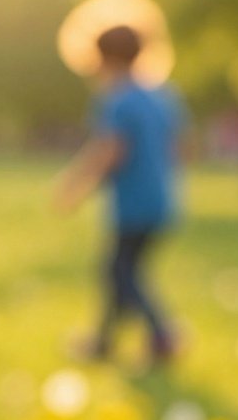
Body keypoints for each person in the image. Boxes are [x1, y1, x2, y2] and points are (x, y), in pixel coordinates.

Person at [55, 22, 183, 367]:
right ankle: (103, 342)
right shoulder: (162, 96)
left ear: (103, 58)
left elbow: (110, 151)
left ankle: (163, 334)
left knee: (121, 273)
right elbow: (179, 146)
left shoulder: (117, 100)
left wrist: (74, 186)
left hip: (134, 204)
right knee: (120, 270)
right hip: (162, 200)